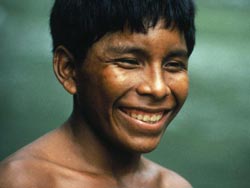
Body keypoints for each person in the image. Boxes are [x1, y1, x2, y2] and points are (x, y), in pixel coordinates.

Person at [0, 0, 196, 187]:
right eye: (129, 62)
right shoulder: (22, 181)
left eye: (174, 65)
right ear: (68, 69)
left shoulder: (172, 185)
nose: (158, 88)